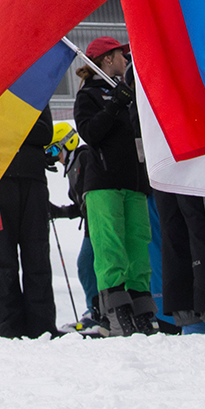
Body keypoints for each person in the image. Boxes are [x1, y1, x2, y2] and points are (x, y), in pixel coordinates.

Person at [72, 37, 154, 336]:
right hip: (103, 182)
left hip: (134, 182)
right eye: (122, 55)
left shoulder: (129, 94)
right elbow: (90, 133)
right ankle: (117, 313)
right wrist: (114, 105)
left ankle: (143, 311)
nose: (126, 59)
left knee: (138, 246)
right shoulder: (88, 95)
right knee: (110, 249)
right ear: (107, 59)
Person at [0, 106, 57, 338]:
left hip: (33, 179)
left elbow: (45, 133)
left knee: (37, 256)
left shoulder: (35, 89)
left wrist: (10, 125)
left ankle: (42, 326)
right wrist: (21, 125)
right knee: (2, 259)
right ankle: (8, 328)